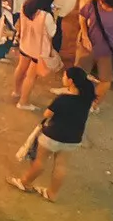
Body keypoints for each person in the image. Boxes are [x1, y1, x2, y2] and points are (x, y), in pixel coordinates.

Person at [10, 65, 97, 201]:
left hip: (53, 135)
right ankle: (52, 194)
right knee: (61, 165)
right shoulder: (86, 99)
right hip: (73, 138)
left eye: (65, 76)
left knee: (40, 162)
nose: (63, 78)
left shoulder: (63, 99)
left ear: (71, 81)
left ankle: (25, 183)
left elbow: (47, 113)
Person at [12, 0, 58, 110]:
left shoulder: (25, 7)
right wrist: (55, 16)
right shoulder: (46, 16)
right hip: (38, 50)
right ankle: (23, 102)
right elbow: (52, 32)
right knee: (31, 76)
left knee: (21, 68)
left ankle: (16, 91)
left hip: (25, 44)